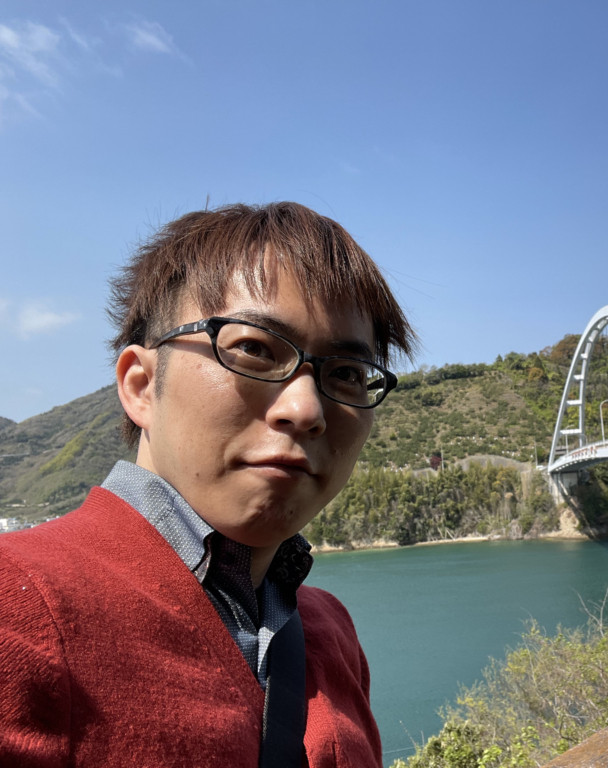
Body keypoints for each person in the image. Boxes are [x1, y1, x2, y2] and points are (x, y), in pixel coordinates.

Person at [0, 202, 415, 767]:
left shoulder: (329, 629)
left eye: (346, 373)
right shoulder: (20, 608)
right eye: (254, 349)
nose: (306, 409)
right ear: (141, 386)